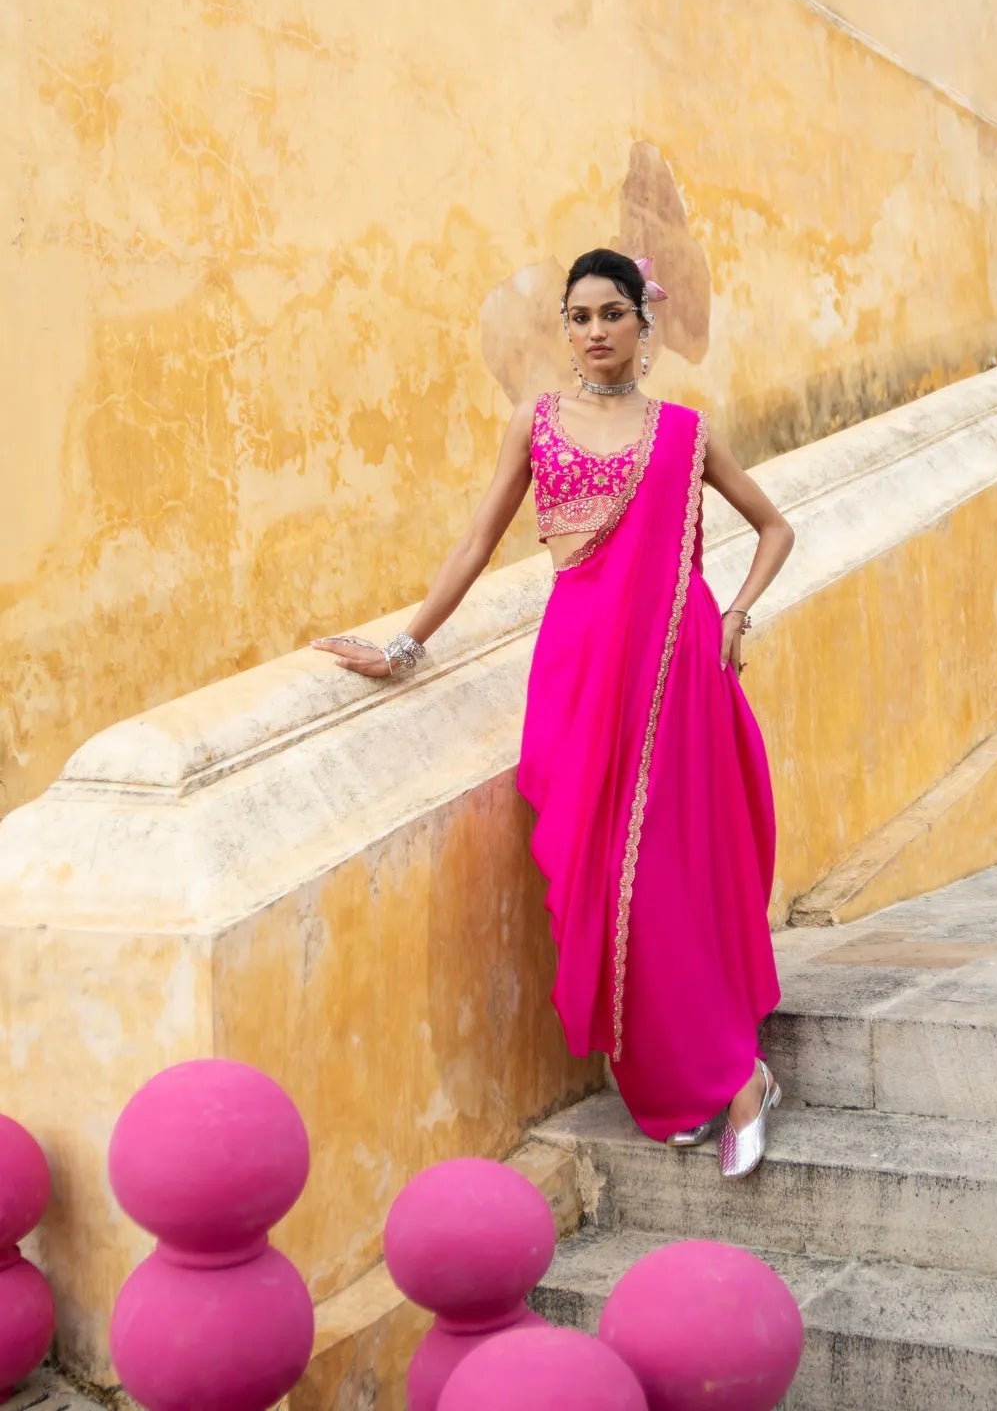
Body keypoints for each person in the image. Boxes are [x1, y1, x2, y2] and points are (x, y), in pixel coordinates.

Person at [313, 249, 794, 1178]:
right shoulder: (533, 427)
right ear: (564, 327)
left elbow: (776, 527)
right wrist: (405, 645)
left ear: (643, 325)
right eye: (579, 316)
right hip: (579, 678)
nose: (596, 331)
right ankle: (681, 1080)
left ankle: (738, 1078)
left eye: (614, 313)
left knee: (667, 876)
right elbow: (475, 541)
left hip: (672, 674)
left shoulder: (686, 434)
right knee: (600, 874)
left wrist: (734, 614)